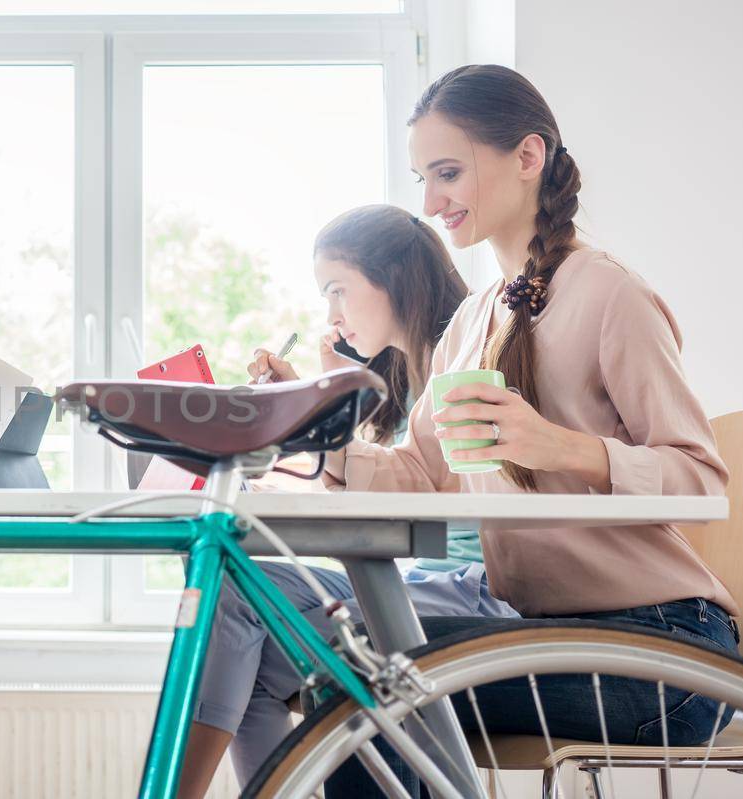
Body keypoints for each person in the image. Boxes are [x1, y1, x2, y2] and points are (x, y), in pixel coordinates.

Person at [322, 64, 736, 796]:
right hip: (550, 630)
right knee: (352, 654)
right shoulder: (472, 321)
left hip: (667, 652)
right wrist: (318, 432)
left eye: (447, 172)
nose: (429, 201)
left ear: (527, 156)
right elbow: (418, 474)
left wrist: (560, 447)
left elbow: (701, 479)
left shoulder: (609, 294)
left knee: (368, 679)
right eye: (421, 176)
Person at [177, 204, 520, 796]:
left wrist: (322, 408)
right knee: (234, 585)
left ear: (395, 280)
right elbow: (376, 482)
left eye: (338, 291)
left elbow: (408, 489)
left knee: (255, 637)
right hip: (419, 582)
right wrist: (320, 398)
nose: (330, 315)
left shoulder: (462, 362)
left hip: (472, 590)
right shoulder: (403, 374)